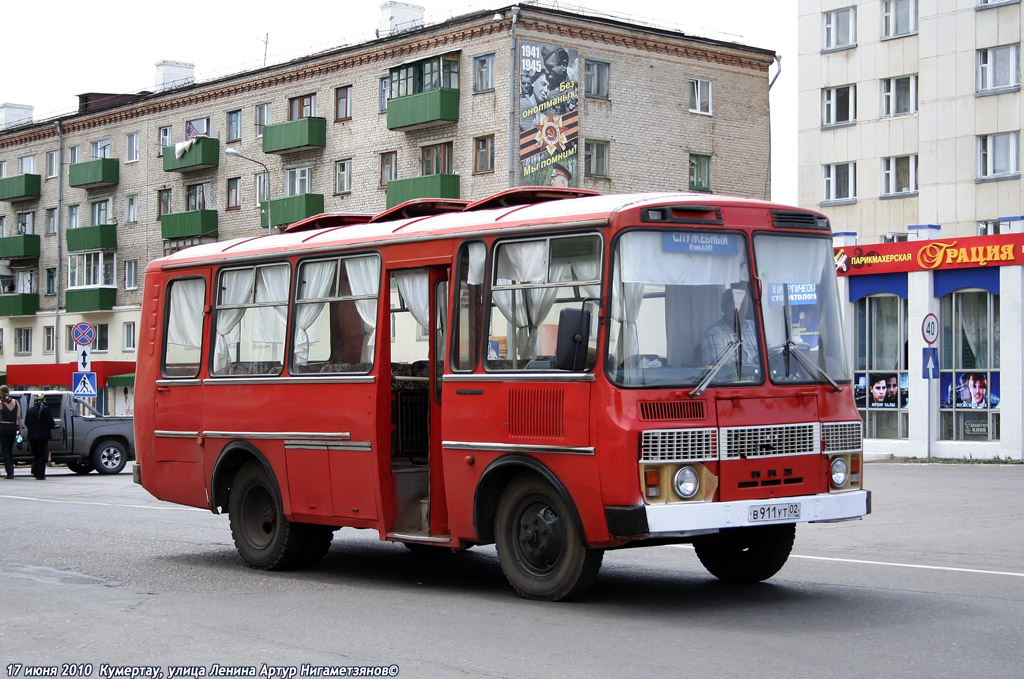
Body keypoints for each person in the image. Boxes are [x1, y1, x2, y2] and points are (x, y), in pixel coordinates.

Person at [700, 288, 758, 366]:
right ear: (723, 308)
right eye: (734, 304)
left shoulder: (755, 328)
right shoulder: (714, 334)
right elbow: (718, 369)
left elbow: (769, 356)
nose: (739, 309)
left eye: (742, 304)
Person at [26, 394, 56, 480]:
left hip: (32, 436)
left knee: (35, 455)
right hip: (43, 436)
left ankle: (34, 472)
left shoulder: (30, 410)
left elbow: (26, 422)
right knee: (43, 455)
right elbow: (51, 423)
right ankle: (40, 475)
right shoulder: (45, 410)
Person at [0, 385, 23, 479]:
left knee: (5, 450)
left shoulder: (1, 402)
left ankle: (9, 472)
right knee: (10, 450)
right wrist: (20, 430)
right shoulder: (16, 402)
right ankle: (11, 471)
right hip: (13, 427)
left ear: (1, 393)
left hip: (3, 427)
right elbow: (18, 417)